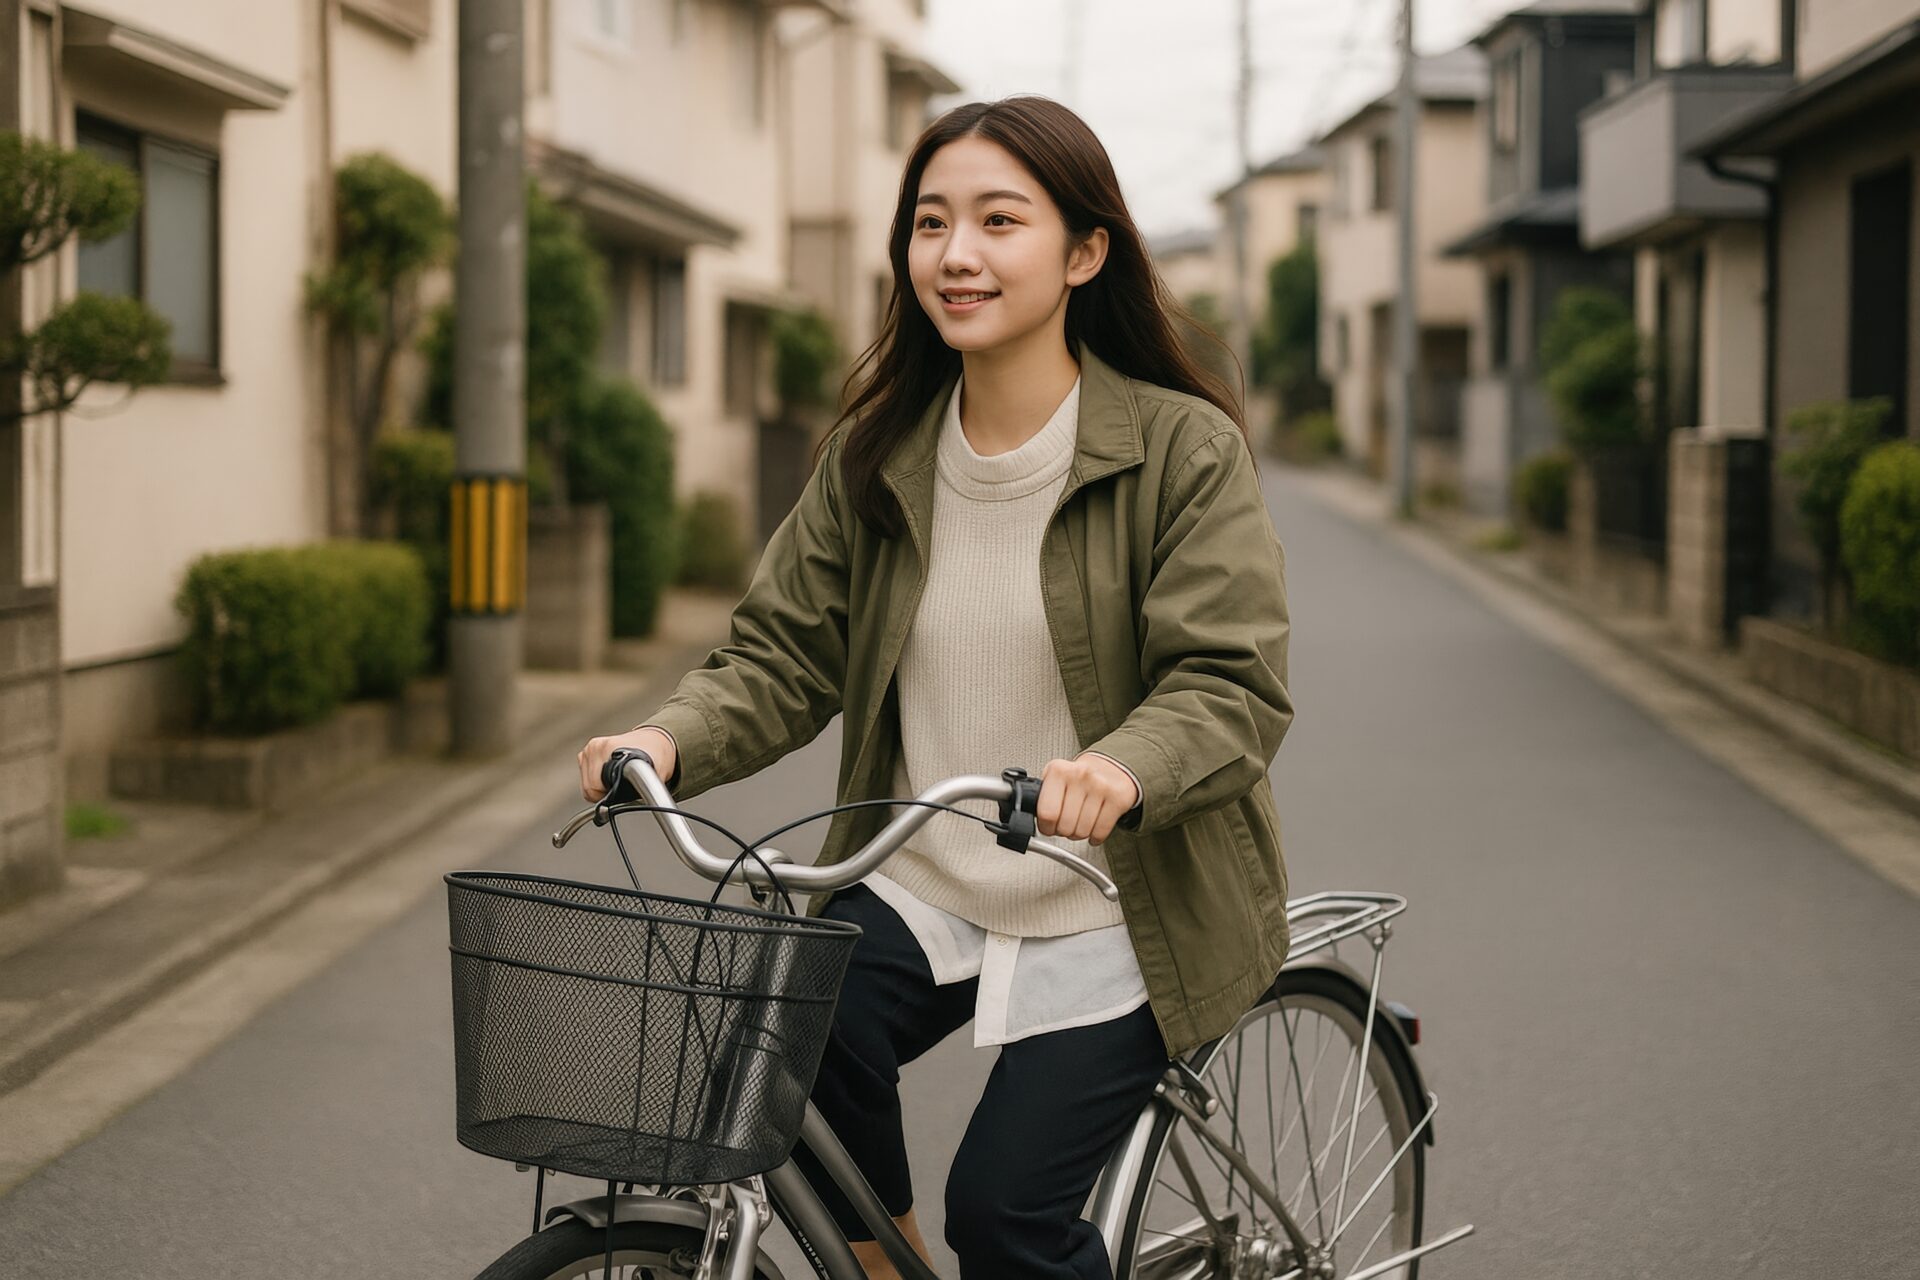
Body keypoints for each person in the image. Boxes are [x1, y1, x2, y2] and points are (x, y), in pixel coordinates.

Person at [577, 95, 1293, 1280]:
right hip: (926, 872)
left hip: (1121, 895)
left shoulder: (1179, 450)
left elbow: (1229, 682)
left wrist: (1119, 769)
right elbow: (779, 653)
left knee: (1007, 1215)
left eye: (998, 221)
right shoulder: (878, 450)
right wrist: (666, 734)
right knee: (784, 1056)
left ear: (1082, 252)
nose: (955, 254)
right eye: (930, 223)